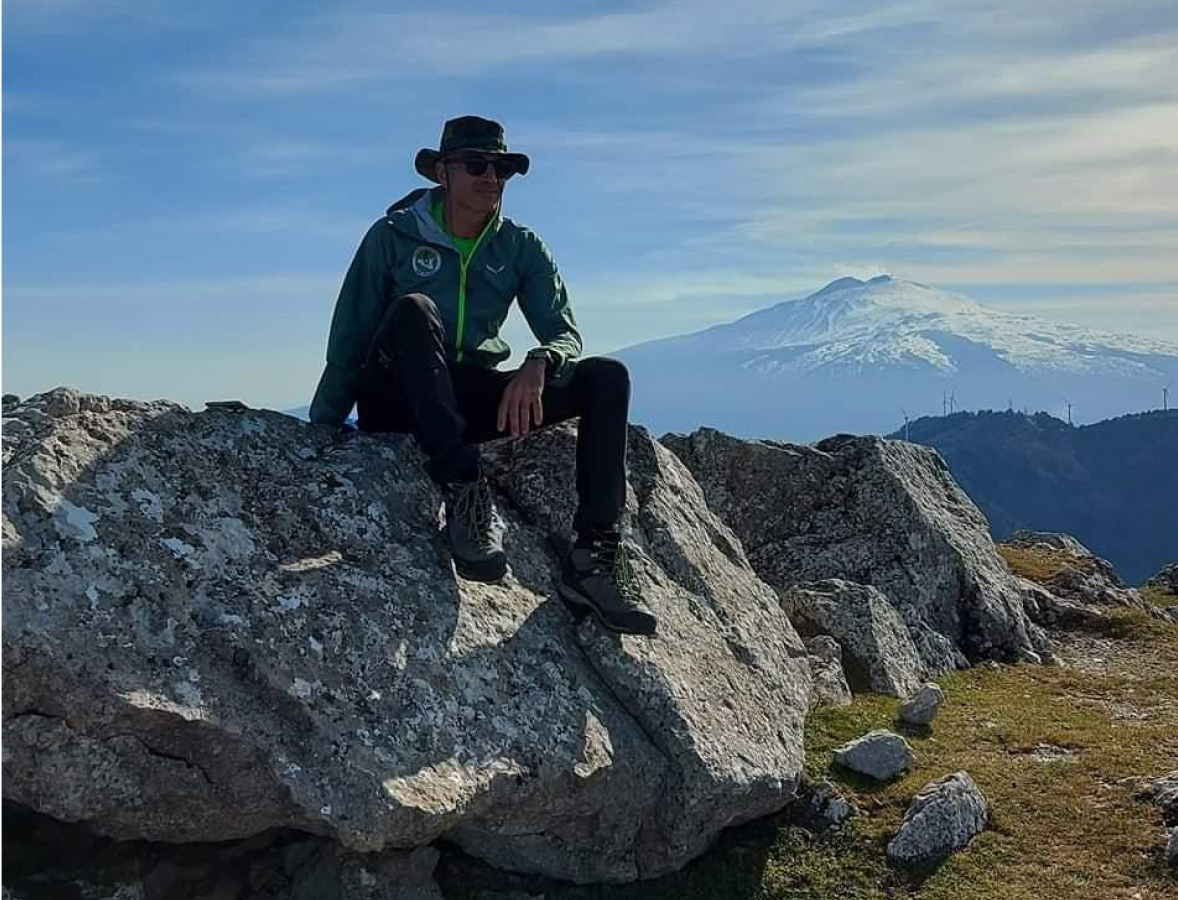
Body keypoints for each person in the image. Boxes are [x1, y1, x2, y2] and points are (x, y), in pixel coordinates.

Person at [309, 116, 657, 637]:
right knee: (413, 308)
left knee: (607, 377)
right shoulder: (393, 236)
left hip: (465, 393)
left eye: (503, 169)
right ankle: (465, 487)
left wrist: (539, 362)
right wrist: (320, 430)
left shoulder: (519, 246)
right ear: (443, 172)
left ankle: (594, 559)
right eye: (477, 166)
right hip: (395, 394)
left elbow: (564, 331)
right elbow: (350, 335)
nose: (492, 178)